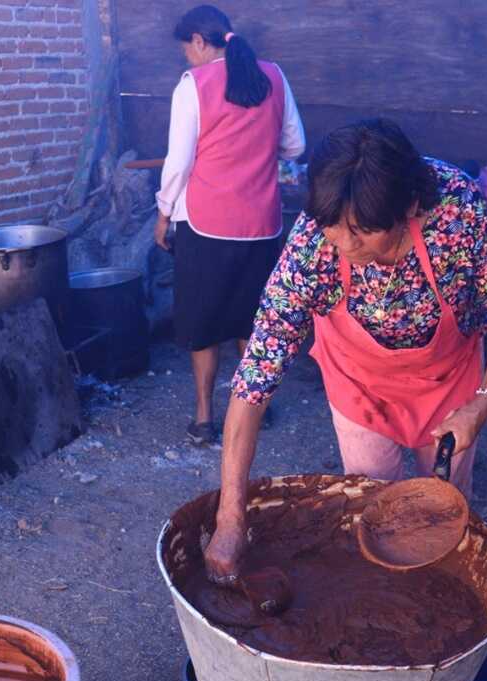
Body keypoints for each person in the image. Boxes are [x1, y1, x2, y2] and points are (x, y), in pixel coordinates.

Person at [203, 119, 487, 581]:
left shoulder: (459, 212)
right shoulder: (311, 247)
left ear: (410, 207)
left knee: (443, 508)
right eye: (332, 227)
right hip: (358, 384)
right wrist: (230, 519)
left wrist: (484, 402)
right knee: (372, 502)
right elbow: (254, 380)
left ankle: (438, 591)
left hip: (449, 380)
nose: (345, 243)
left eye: (362, 231)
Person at [154, 5, 306, 446]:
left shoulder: (193, 87)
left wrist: (163, 214)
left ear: (200, 42)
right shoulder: (273, 76)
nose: (188, 59)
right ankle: (254, 406)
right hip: (262, 223)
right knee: (251, 320)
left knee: (202, 323)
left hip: (206, 225)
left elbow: (179, 163)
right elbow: (294, 145)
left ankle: (204, 419)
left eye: (188, 50)